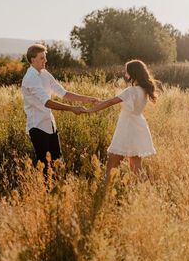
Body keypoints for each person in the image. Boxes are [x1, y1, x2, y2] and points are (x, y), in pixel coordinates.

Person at [21, 43, 99, 175]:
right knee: (45, 167)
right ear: (32, 60)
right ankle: (45, 194)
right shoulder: (30, 78)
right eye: (42, 58)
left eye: (45, 57)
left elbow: (63, 93)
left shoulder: (45, 74)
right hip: (38, 127)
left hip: (50, 125)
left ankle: (57, 193)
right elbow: (47, 102)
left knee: (58, 162)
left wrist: (88, 99)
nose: (45, 60)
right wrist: (72, 108)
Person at [84, 59, 158, 180]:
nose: (125, 74)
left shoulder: (131, 91)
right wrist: (100, 102)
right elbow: (113, 100)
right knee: (136, 166)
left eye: (127, 72)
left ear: (133, 73)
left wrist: (90, 110)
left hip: (127, 128)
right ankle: (147, 190)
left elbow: (112, 102)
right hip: (138, 126)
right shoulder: (144, 90)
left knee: (112, 164)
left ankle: (106, 189)